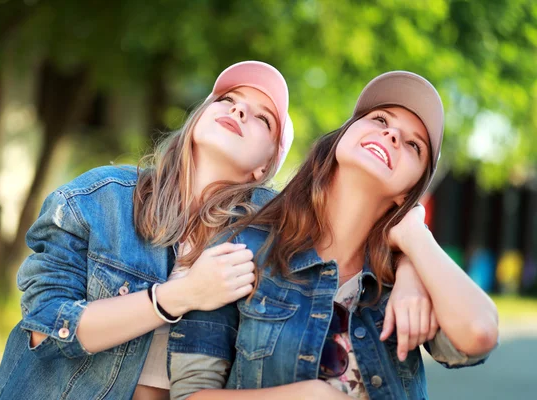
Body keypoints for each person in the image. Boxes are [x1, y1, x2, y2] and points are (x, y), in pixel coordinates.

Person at [168, 71, 499, 399]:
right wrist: (309, 396)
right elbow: (189, 395)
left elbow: (479, 333)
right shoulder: (246, 244)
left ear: (408, 192)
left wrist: (416, 234)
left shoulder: (409, 277)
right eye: (380, 119)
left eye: (414, 145)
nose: (392, 135)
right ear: (343, 136)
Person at [0, 60, 296, 400]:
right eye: (227, 99)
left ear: (264, 167)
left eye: (263, 118)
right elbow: (44, 327)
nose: (239, 110)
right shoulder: (101, 199)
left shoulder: (268, 250)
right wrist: (181, 294)